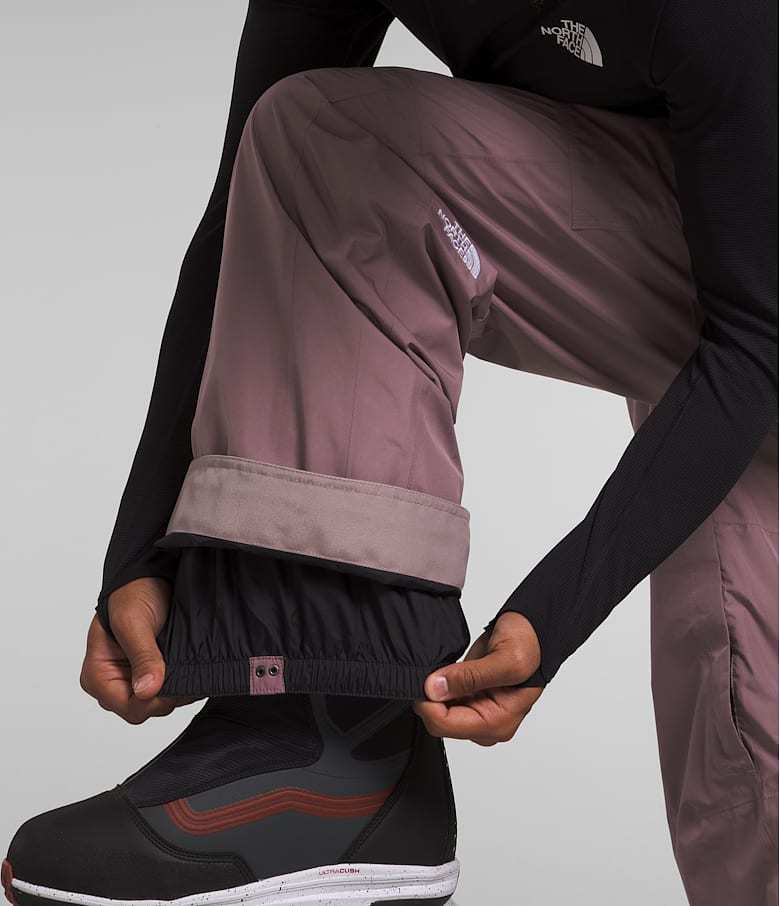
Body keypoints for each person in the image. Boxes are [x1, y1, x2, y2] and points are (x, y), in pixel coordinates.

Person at [3, 2, 776, 905]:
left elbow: (758, 337)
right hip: (709, 214)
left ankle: (333, 752)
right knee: (325, 141)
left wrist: (553, 615)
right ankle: (327, 735)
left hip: (754, 287)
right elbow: (241, 209)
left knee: (753, 759)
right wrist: (141, 553)